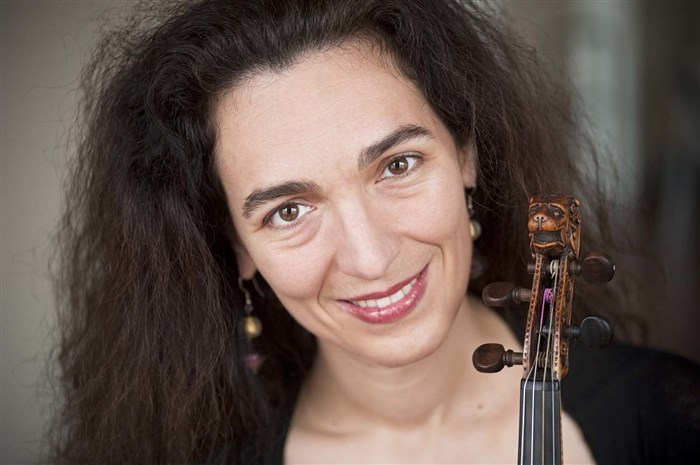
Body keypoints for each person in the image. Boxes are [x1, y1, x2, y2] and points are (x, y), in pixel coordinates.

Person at [48, 1, 700, 464]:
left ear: (466, 152)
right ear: (238, 247)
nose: (370, 256)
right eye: (288, 211)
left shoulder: (665, 417)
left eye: (398, 165)